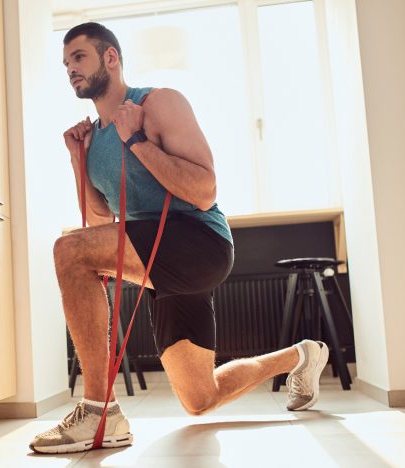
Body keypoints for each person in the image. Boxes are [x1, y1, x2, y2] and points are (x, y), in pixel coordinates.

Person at [29, 22, 329, 454]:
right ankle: (302, 355)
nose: (70, 70)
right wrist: (78, 159)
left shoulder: (159, 103)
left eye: (79, 57)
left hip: (198, 242)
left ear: (110, 58)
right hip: (156, 255)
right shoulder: (94, 138)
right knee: (199, 399)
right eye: (65, 63)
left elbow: (205, 190)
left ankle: (99, 411)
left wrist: (136, 141)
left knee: (67, 251)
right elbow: (100, 221)